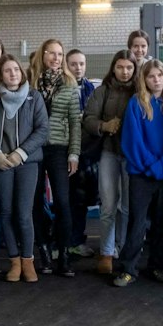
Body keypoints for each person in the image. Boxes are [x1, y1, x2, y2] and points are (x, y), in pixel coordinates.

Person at [114, 58, 163, 288]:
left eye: (160, 76)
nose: (156, 80)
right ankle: (128, 268)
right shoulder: (136, 103)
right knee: (137, 222)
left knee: (162, 222)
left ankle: (158, 265)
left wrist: (161, 167)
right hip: (141, 173)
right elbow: (132, 141)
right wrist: (151, 166)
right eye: (151, 76)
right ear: (145, 79)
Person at [0, 54, 49, 284]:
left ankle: (28, 260)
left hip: (27, 163)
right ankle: (14, 262)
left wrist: (20, 153)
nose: (12, 74)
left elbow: (42, 129)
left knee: (24, 214)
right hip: (2, 163)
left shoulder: (34, 97)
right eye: (7, 71)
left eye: (15, 69)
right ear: (1, 75)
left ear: (22, 72)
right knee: (6, 213)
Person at [28, 39, 80, 276]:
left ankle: (65, 254)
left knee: (62, 201)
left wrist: (74, 153)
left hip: (59, 148)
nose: (56, 58)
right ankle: (44, 252)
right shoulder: (30, 81)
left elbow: (74, 122)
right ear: (43, 55)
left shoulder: (69, 84)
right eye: (52, 53)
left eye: (60, 54)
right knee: (35, 201)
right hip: (35, 149)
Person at [84, 52, 136, 275]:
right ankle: (106, 252)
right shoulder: (101, 91)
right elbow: (88, 119)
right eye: (120, 67)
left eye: (129, 68)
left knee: (126, 206)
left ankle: (123, 249)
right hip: (108, 152)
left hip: (133, 156)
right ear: (113, 68)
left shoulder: (140, 91)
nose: (125, 72)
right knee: (107, 205)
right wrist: (104, 126)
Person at [65, 49, 95, 255]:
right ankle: (61, 243)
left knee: (81, 198)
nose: (78, 68)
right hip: (63, 151)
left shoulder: (90, 87)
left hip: (85, 151)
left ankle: (76, 240)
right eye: (73, 64)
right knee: (63, 199)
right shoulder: (60, 87)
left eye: (81, 64)